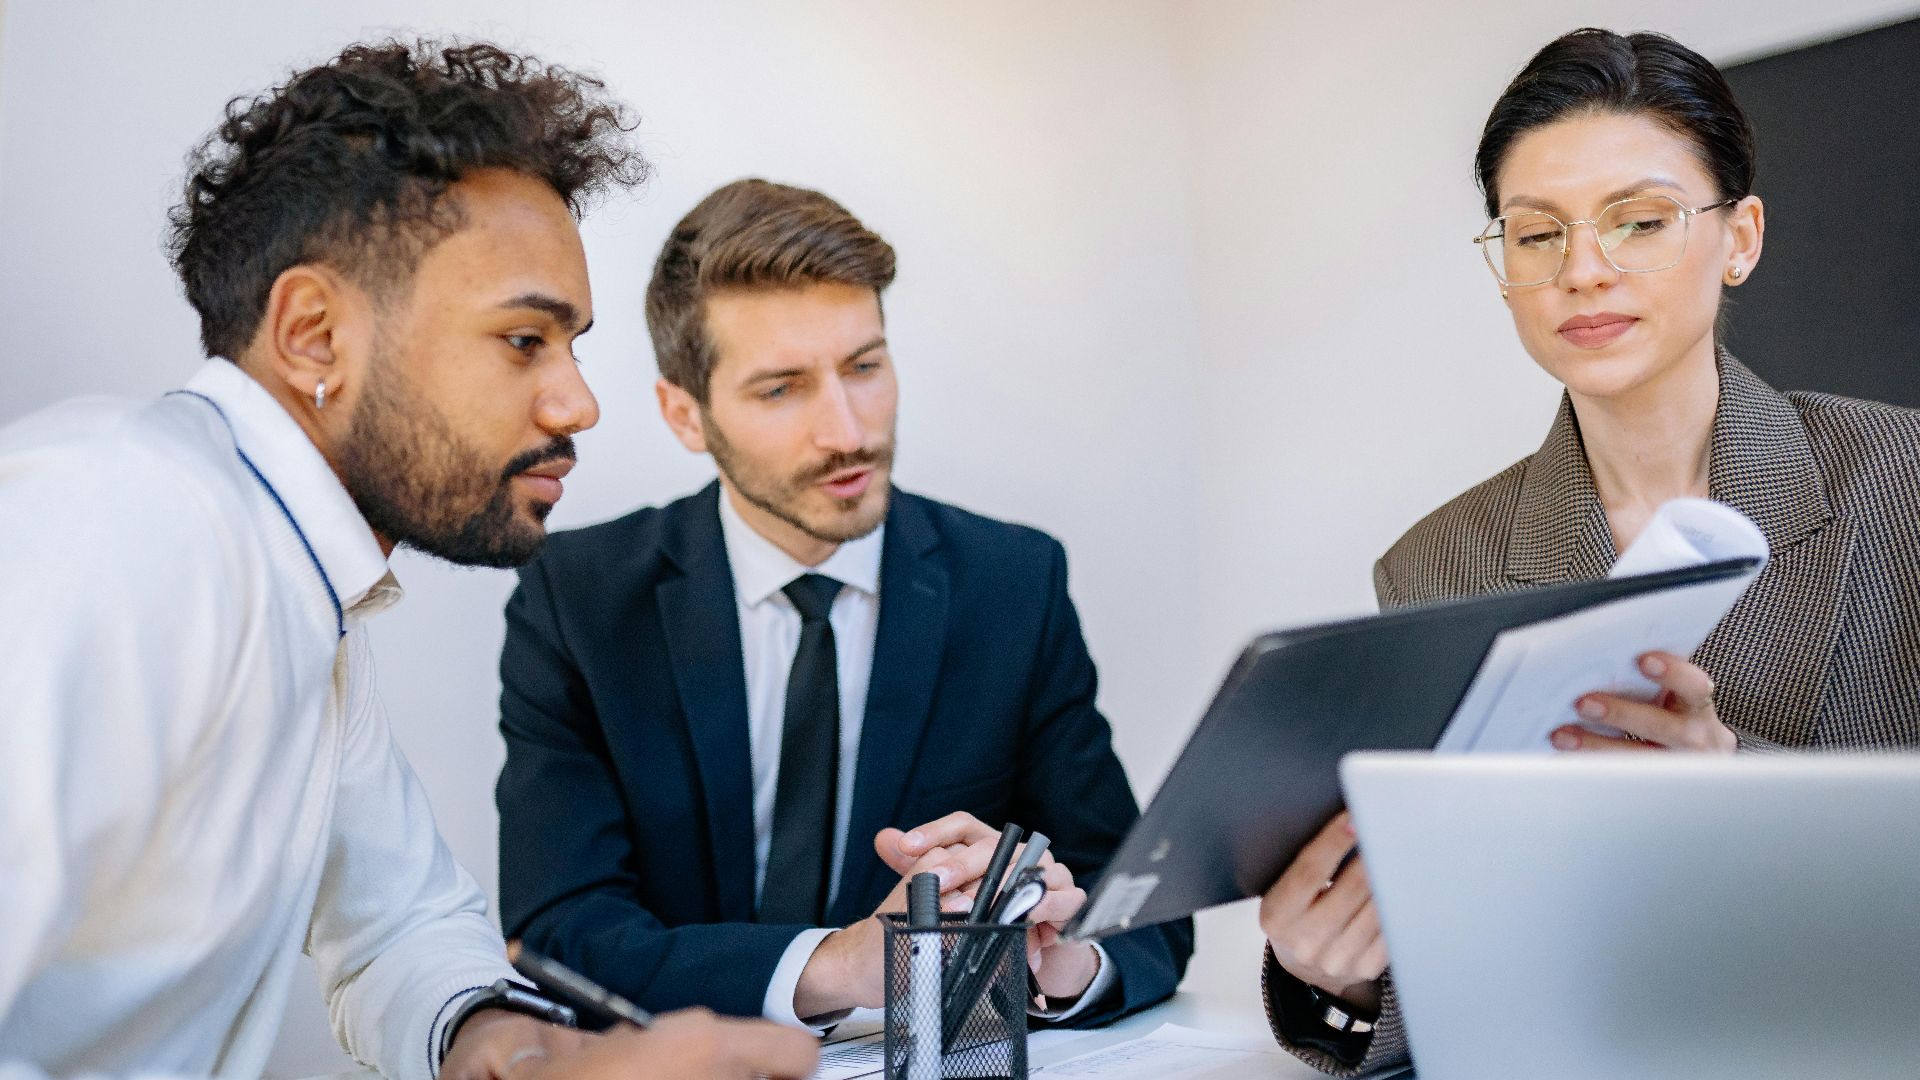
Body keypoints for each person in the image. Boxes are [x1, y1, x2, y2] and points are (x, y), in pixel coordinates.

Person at [0, 41, 816, 1080]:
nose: (578, 405)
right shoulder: (125, 520)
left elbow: (399, 926)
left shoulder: (305, 600)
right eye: (525, 340)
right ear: (312, 335)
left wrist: (516, 1056)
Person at [1257, 27, 1920, 1076]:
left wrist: (1737, 790)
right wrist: (1340, 974)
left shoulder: (1904, 478)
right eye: (1535, 235)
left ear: (1740, 236)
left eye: (1640, 222)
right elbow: (1469, 933)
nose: (1583, 272)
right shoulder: (1436, 567)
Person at [494, 178, 1192, 1031]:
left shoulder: (1013, 583)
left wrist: (1061, 955)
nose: (849, 431)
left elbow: (1141, 903)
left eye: (864, 367)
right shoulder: (580, 598)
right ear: (685, 414)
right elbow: (559, 933)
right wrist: (843, 964)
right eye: (782, 388)